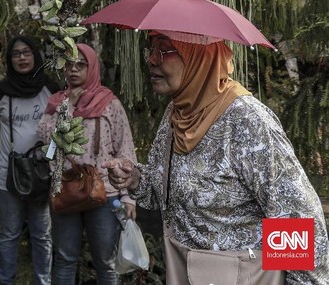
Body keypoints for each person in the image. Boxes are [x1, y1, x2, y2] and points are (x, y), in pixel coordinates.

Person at [106, 31, 329, 284]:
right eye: (151, 50)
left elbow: (295, 217)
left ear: (199, 59)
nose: (152, 60)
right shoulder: (177, 115)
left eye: (165, 50)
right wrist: (135, 179)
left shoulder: (246, 120)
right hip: (184, 271)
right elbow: (169, 189)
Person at [37, 43, 137, 285]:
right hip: (66, 190)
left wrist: (128, 197)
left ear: (92, 68)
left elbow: (125, 150)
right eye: (69, 64)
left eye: (81, 65)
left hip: (104, 192)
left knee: (105, 261)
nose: (73, 70)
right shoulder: (56, 102)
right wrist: (68, 106)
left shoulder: (109, 103)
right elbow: (44, 138)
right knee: (64, 258)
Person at [0, 35, 60, 285]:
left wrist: (49, 157)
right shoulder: (0, 92)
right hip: (8, 174)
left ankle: (43, 282)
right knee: (9, 233)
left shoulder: (50, 88)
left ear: (35, 55)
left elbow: (63, 126)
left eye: (27, 52)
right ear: (10, 60)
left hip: (41, 173)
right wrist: (1, 154)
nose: (22, 58)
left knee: (41, 234)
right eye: (16, 54)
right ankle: (6, 281)